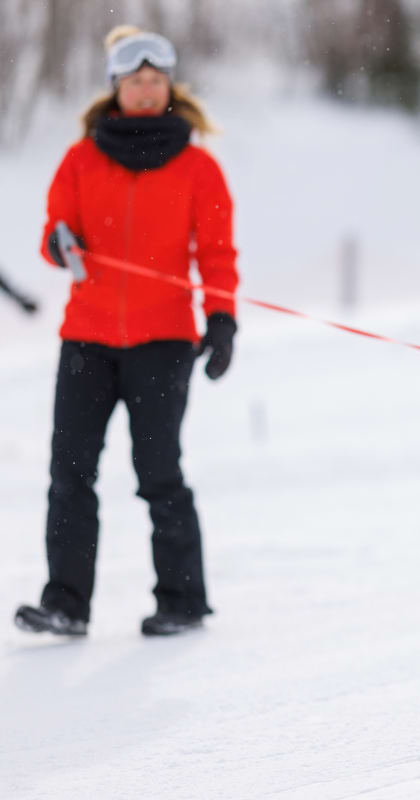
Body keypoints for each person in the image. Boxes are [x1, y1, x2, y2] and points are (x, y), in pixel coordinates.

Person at [13, 25, 238, 638]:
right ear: (116, 87)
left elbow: (217, 254)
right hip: (86, 340)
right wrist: (63, 247)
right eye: (135, 81)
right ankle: (65, 604)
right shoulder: (81, 158)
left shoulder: (199, 168)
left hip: (163, 343)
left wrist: (221, 320)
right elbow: (54, 234)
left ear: (169, 86)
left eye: (155, 81)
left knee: (159, 473)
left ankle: (182, 601)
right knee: (70, 475)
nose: (146, 90)